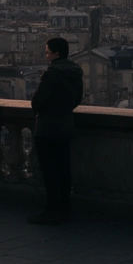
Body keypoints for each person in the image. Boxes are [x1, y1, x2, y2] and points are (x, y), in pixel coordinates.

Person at [28, 37, 84, 225]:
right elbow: (77, 99)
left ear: (56, 53)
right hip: (66, 124)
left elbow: (37, 101)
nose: (46, 54)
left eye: (47, 51)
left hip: (47, 127)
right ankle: (65, 207)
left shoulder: (51, 74)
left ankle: (52, 209)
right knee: (63, 168)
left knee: (49, 170)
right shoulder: (75, 73)